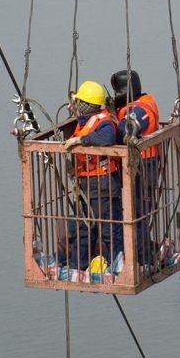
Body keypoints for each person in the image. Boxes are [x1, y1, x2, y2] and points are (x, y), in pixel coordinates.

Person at [59, 80, 120, 271]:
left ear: (85, 105)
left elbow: (107, 138)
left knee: (108, 228)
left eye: (78, 103)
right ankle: (78, 265)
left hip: (102, 183)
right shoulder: (85, 121)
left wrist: (81, 140)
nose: (74, 106)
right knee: (84, 228)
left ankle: (115, 265)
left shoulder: (104, 122)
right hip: (86, 184)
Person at [109, 70, 162, 271]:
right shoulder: (140, 103)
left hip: (143, 166)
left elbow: (126, 129)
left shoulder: (140, 109)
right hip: (139, 164)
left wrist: (109, 123)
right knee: (135, 211)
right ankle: (139, 254)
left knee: (138, 212)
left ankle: (143, 258)